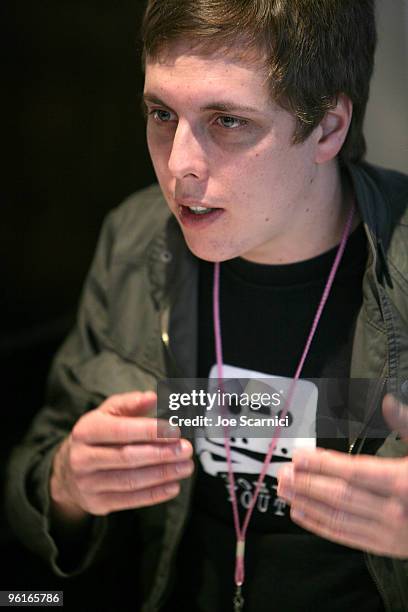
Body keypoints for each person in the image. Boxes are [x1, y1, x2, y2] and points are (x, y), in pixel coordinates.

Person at [6, 1, 408, 610]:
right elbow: (40, 464)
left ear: (328, 129)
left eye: (227, 121)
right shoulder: (136, 237)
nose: (178, 166)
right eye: (162, 113)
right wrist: (65, 486)